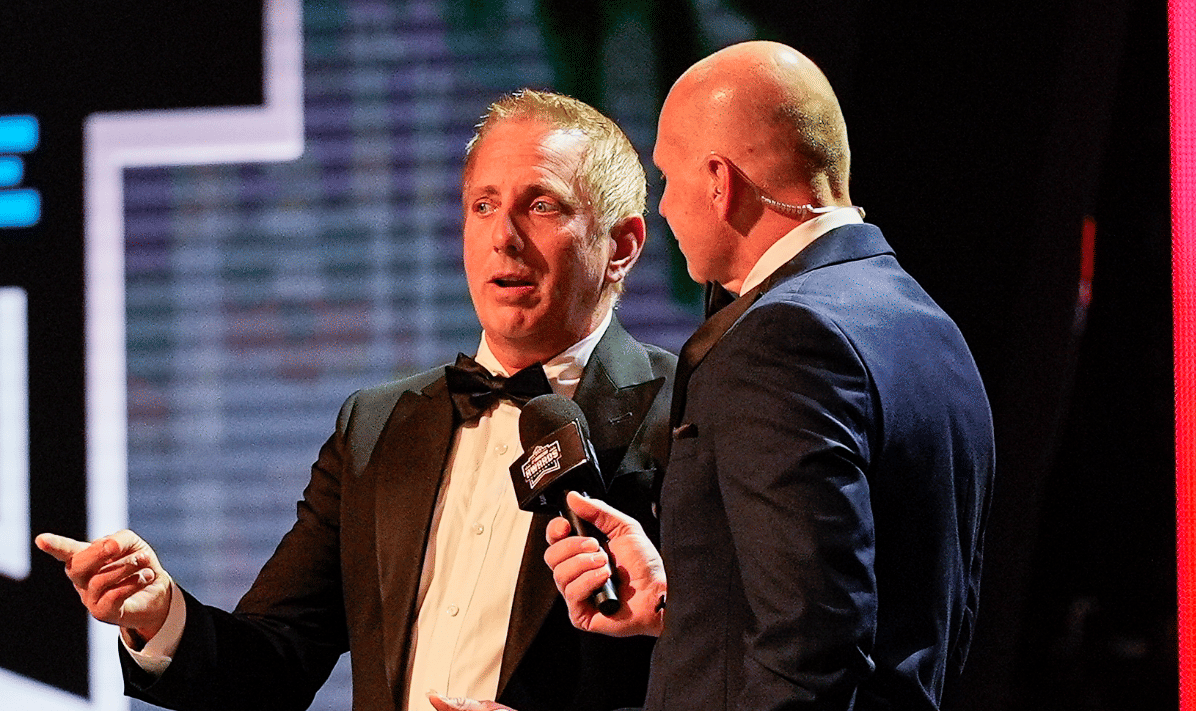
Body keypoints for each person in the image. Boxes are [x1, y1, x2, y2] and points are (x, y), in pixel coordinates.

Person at [36, 89, 675, 711]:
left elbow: (745, 668)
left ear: (620, 246)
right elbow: (274, 662)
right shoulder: (377, 427)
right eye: (483, 206)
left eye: (541, 206)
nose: (502, 237)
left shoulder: (685, 411)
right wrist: (159, 615)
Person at [435, 40, 997, 711]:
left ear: (718, 182)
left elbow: (808, 662)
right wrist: (685, 602)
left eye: (669, 179)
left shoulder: (782, 341)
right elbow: (863, 613)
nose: (666, 208)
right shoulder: (927, 324)